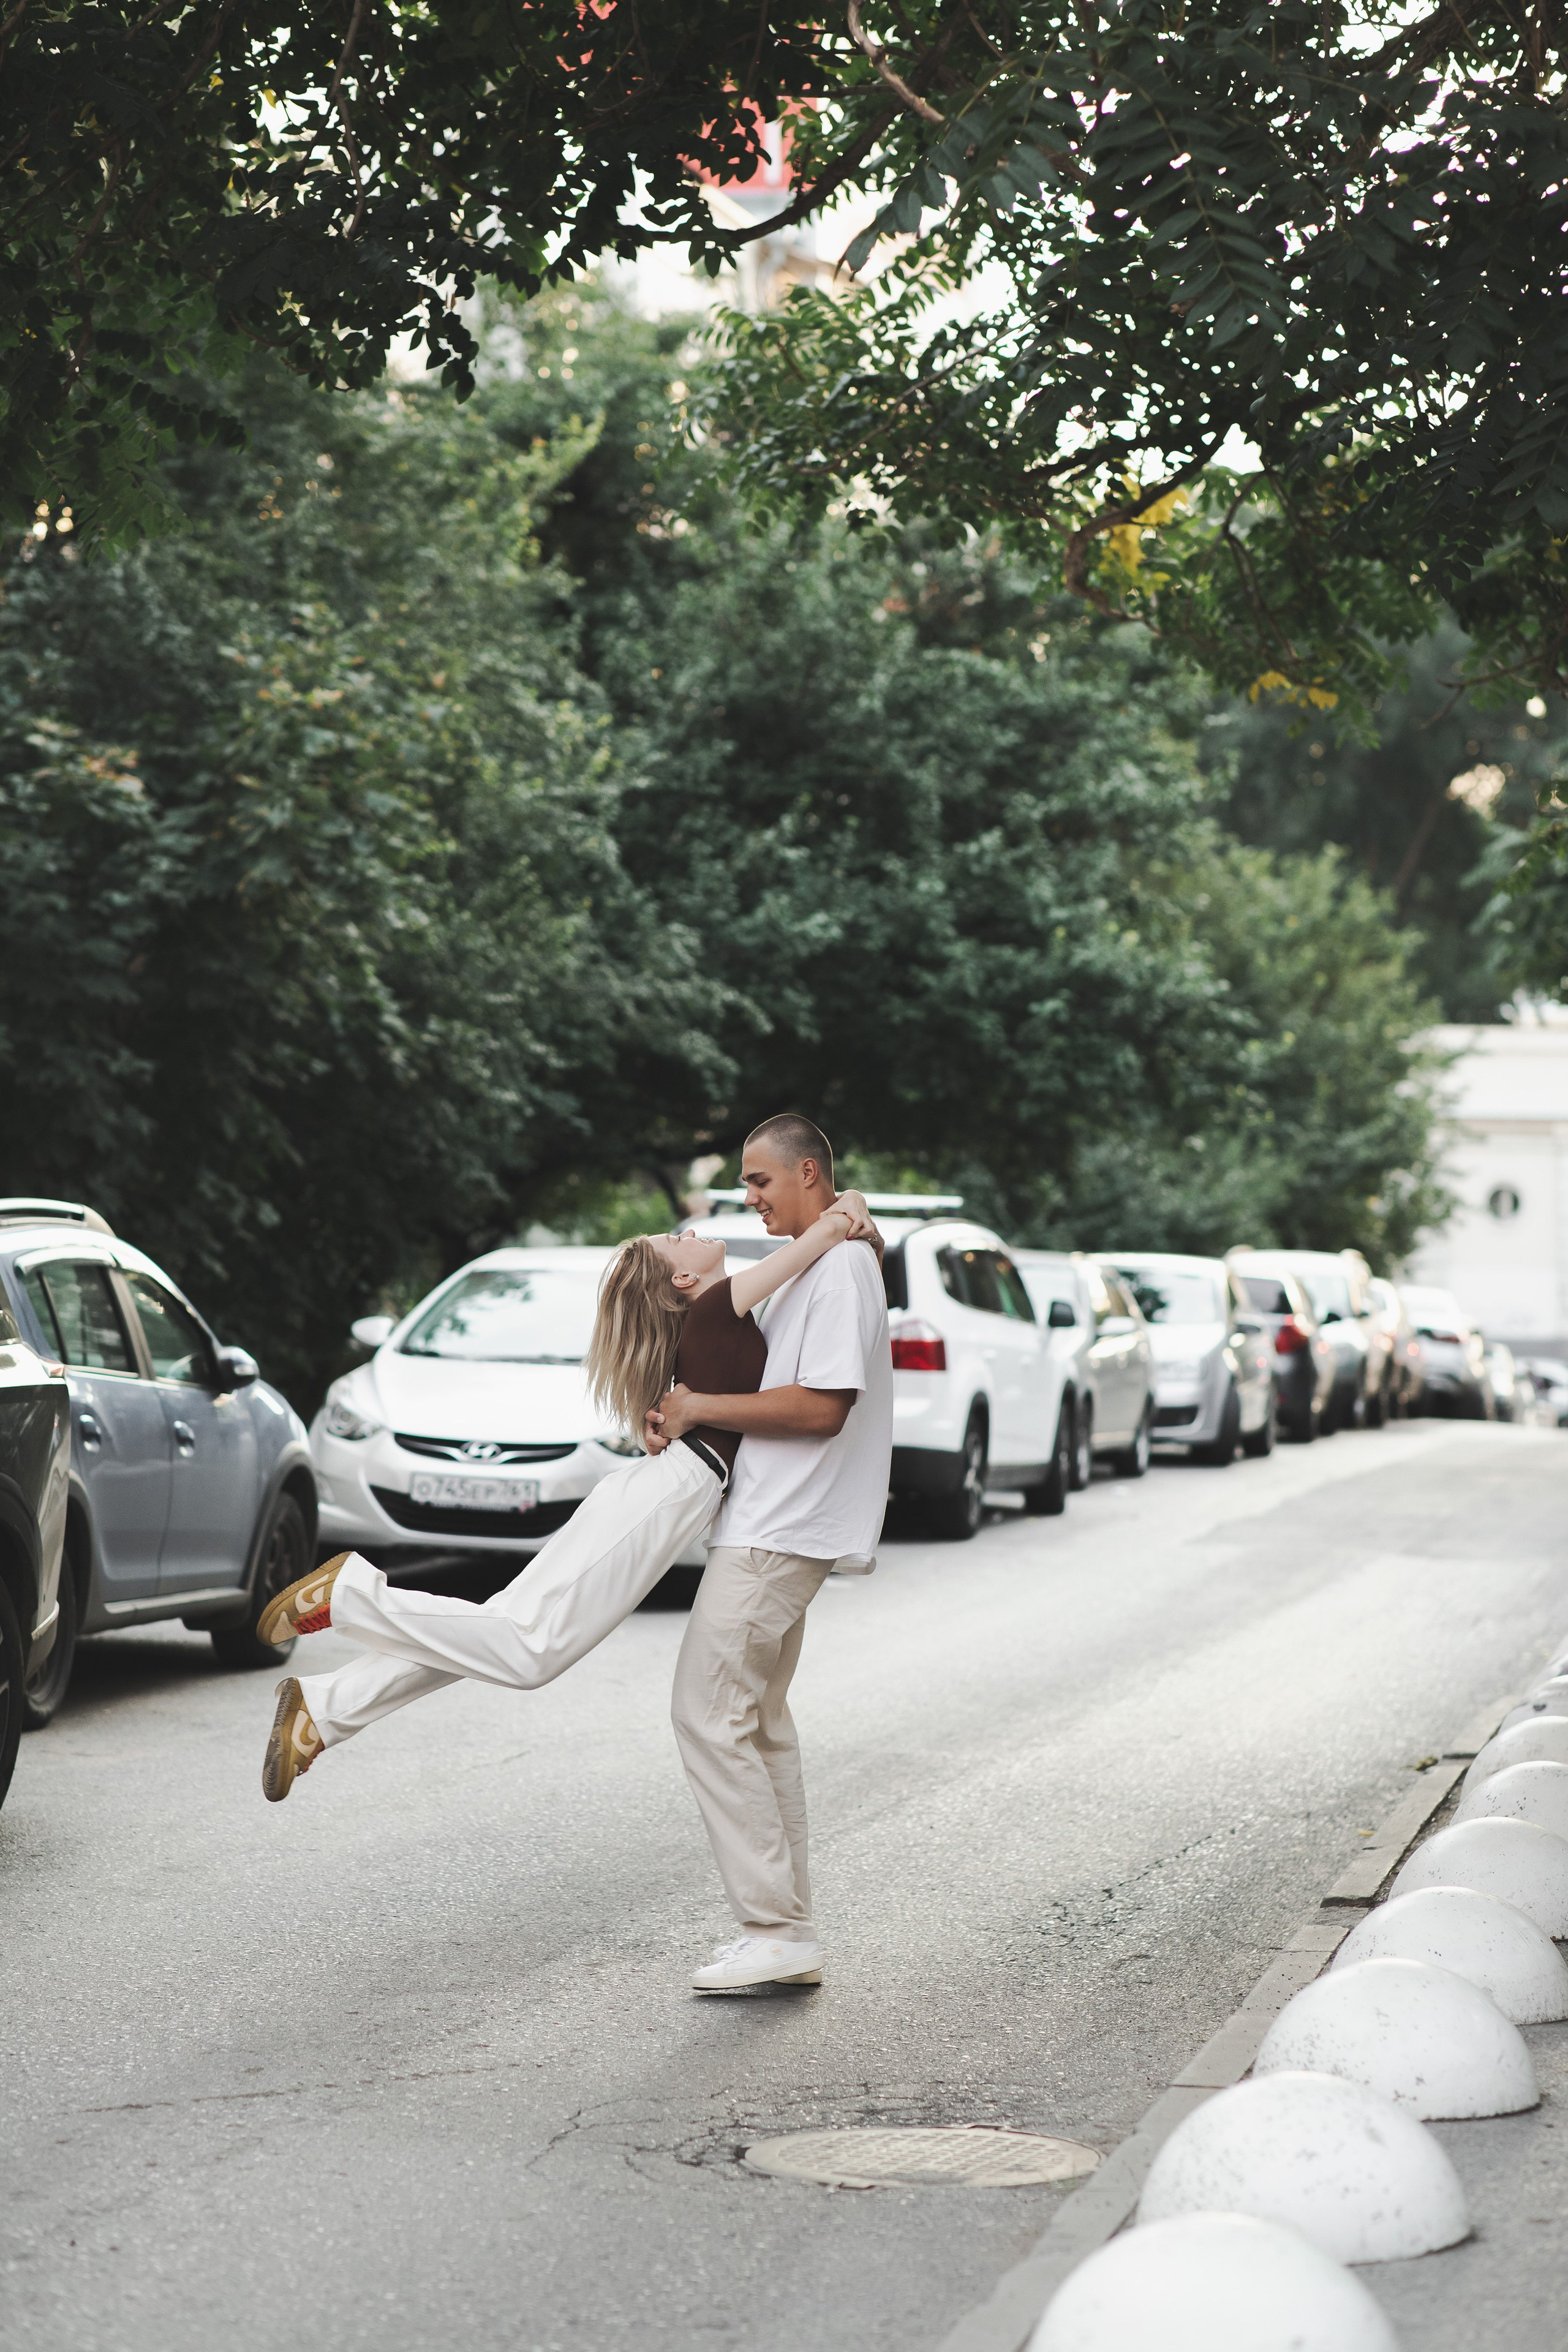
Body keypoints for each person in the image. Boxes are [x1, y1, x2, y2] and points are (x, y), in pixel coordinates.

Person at [258, 1189, 881, 1804]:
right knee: (531, 1654)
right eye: (678, 1241)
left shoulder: (717, 1316)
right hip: (668, 1494)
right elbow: (821, 1236)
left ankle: (323, 1710)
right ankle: (348, 1595)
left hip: (659, 1489)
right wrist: (843, 1209)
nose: (689, 1233)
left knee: (500, 1630)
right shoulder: (718, 1305)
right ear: (686, 1277)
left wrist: (847, 1201)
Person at [645, 1114, 892, 1992]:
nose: (747, 1199)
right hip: (772, 1523)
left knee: (706, 1714)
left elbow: (823, 1408)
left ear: (811, 1174)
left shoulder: (841, 1271)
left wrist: (701, 1406)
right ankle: (787, 1928)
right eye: (744, 1184)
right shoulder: (820, 1258)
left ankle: (775, 1930)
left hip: (780, 1531)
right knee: (756, 1725)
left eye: (759, 1181)